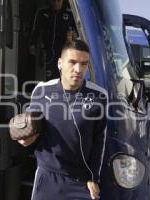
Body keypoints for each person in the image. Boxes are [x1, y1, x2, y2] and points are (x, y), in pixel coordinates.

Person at [18, 40, 107, 200]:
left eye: (84, 64)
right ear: (60, 63)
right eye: (72, 62)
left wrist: (93, 177)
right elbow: (31, 128)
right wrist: (25, 137)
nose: (78, 69)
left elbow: (99, 141)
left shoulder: (99, 96)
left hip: (81, 181)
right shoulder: (42, 90)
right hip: (47, 177)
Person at [29, 0, 77, 80]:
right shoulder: (42, 12)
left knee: (63, 75)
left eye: (58, 1)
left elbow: (77, 32)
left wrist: (74, 37)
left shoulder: (70, 13)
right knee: (49, 76)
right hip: (47, 50)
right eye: (53, 1)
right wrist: (32, 44)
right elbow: (35, 30)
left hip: (64, 50)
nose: (56, 3)